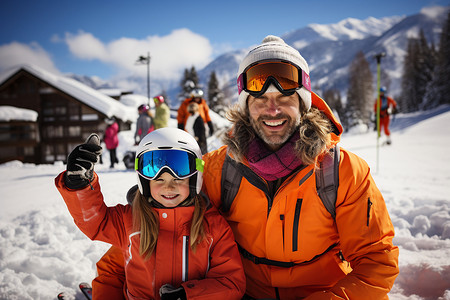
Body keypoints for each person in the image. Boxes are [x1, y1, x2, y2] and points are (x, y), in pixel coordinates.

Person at [91, 35, 400, 299]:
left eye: (285, 97)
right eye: (260, 99)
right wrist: (109, 285)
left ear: (304, 103)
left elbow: (376, 263)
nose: (273, 108)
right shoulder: (218, 169)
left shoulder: (341, 171)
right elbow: (157, 228)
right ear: (246, 107)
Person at [55, 128, 246, 300]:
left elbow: (231, 281)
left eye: (177, 179)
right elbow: (95, 221)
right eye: (159, 180)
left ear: (195, 177)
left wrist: (189, 295)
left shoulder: (213, 227)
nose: (168, 187)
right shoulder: (130, 220)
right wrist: (79, 186)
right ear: (144, 182)